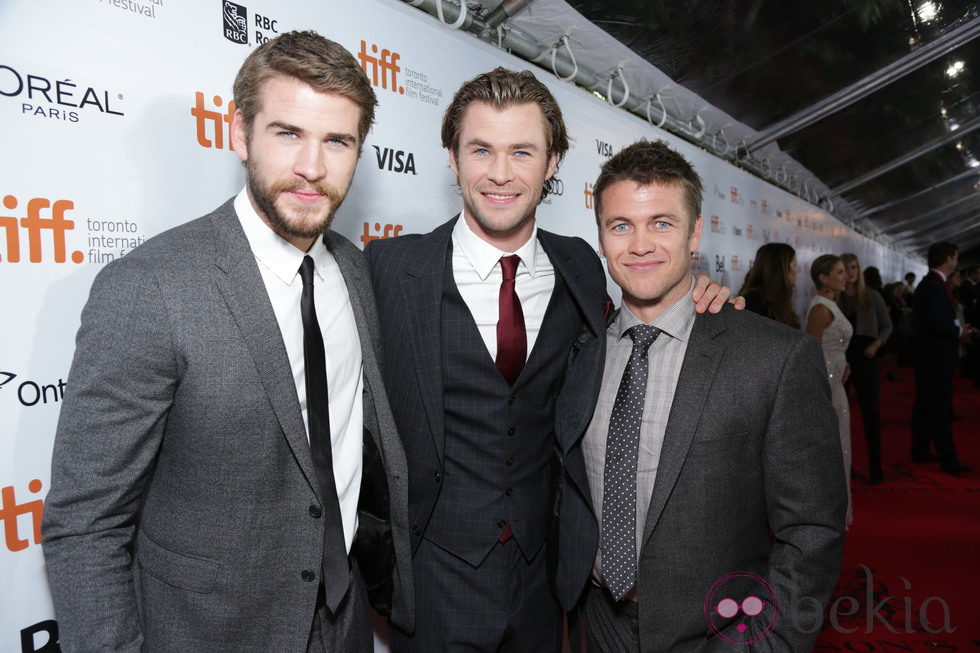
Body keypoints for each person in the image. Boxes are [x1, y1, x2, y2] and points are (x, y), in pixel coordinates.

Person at [41, 32, 413, 652]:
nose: (312, 167)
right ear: (239, 133)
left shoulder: (355, 271)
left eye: (337, 141)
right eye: (287, 133)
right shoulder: (149, 288)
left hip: (343, 624)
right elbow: (86, 524)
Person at [365, 69, 735, 652]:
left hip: (547, 578)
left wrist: (702, 297)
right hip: (431, 578)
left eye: (522, 151)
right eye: (481, 149)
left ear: (553, 163)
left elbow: (642, 319)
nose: (501, 173)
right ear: (452, 158)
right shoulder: (386, 270)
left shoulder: (582, 268)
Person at [572, 140, 845, 650]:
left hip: (718, 633)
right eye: (621, 225)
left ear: (695, 232)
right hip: (594, 625)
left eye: (662, 223)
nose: (640, 245)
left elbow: (811, 530)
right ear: (602, 236)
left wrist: (762, 643)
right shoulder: (577, 346)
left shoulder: (775, 357)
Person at [910, 242, 976, 475]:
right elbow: (935, 321)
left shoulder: (934, 284)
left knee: (926, 406)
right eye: (956, 257)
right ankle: (948, 459)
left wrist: (957, 328)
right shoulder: (934, 285)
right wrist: (959, 332)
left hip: (932, 356)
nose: (957, 262)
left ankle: (920, 449)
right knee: (939, 408)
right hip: (935, 358)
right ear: (948, 258)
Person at [806, 254, 853, 526]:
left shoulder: (831, 305)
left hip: (836, 382)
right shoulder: (820, 309)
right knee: (832, 447)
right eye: (838, 271)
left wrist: (845, 365)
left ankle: (836, 511)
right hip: (827, 387)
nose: (845, 276)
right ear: (823, 278)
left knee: (841, 444)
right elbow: (811, 353)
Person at [838, 253, 892, 485]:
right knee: (840, 412)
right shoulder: (836, 297)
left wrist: (876, 345)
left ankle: (875, 465)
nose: (850, 272)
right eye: (845, 268)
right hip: (842, 357)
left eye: (854, 267)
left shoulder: (871, 295)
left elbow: (888, 327)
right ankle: (842, 466)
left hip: (866, 355)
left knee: (870, 412)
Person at [737, 242, 801, 329]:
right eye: (795, 265)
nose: (797, 271)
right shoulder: (753, 299)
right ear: (780, 268)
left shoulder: (780, 298)